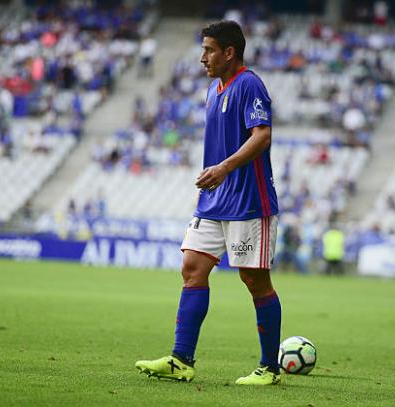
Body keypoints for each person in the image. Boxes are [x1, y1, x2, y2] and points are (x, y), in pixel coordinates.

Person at [135, 21, 281, 386]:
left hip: (248, 200)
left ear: (229, 52)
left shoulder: (250, 84)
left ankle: (270, 368)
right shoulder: (213, 91)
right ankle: (181, 359)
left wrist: (225, 167)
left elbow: (262, 135)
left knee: (254, 280)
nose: (202, 58)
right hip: (214, 199)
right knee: (192, 267)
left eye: (209, 50)